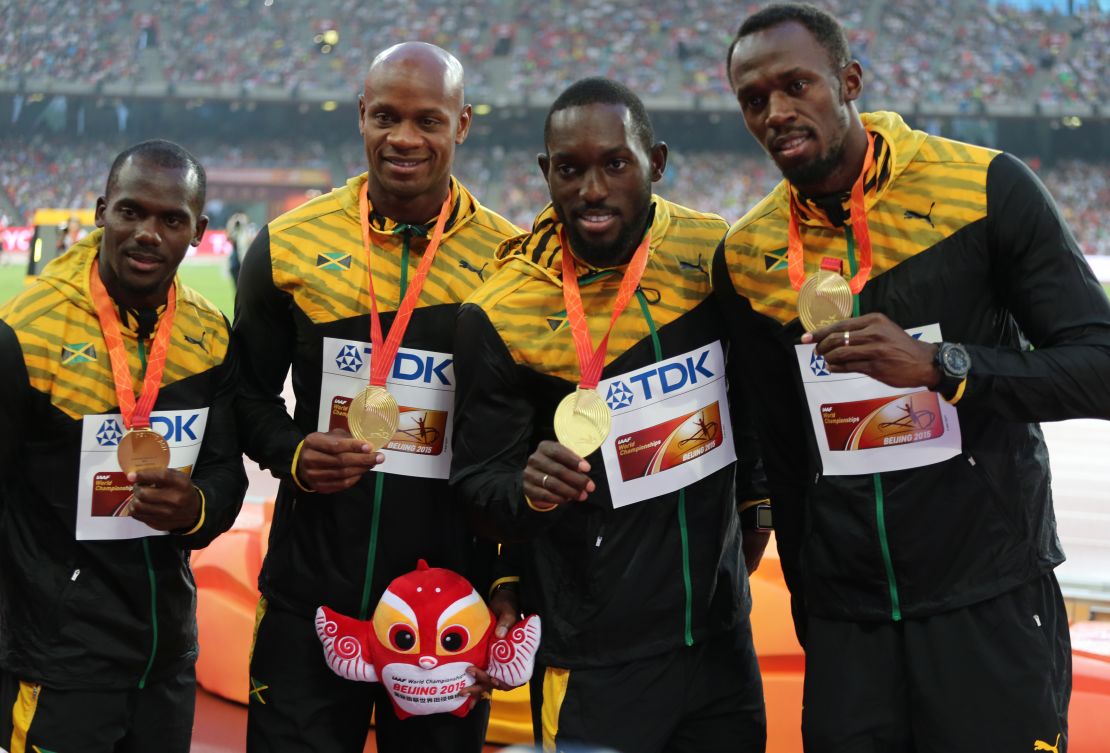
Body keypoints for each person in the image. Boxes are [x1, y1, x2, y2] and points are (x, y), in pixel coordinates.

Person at [715, 4, 1110, 752]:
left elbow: (1099, 368)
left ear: (850, 80)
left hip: (989, 601)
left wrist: (945, 368)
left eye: (796, 85)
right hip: (849, 631)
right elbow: (784, 459)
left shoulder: (985, 188)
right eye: (754, 99)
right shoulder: (748, 257)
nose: (776, 112)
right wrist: (814, 605)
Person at [451, 77, 769, 753]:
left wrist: (751, 531)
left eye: (614, 164)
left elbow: (752, 412)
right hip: (593, 657)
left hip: (719, 648)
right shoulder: (500, 308)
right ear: (546, 173)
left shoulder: (714, 255)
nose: (592, 190)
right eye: (570, 169)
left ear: (654, 162)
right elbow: (478, 487)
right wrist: (526, 491)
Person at [234, 42, 522, 753]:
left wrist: (512, 579)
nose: (403, 137)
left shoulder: (512, 259)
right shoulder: (287, 245)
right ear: (361, 114)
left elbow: (523, 436)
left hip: (448, 607)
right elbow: (242, 394)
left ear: (463, 125)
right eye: (386, 115)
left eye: (428, 120)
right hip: (312, 597)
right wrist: (295, 452)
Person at [0, 139, 247, 752]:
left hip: (166, 652)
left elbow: (225, 471)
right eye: (131, 212)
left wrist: (196, 510)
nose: (147, 233)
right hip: (58, 658)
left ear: (198, 232)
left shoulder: (208, 333)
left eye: (171, 220)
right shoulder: (26, 330)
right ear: (100, 210)